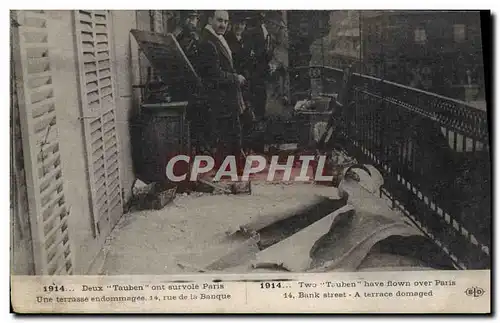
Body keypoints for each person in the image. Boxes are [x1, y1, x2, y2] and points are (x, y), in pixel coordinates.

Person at [198, 10, 248, 176]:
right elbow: (214, 75)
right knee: (229, 136)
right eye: (220, 20)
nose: (223, 25)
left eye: (226, 22)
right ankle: (230, 173)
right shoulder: (207, 42)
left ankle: (231, 171)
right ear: (210, 18)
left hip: (226, 98)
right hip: (221, 99)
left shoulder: (215, 38)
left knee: (230, 136)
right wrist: (236, 78)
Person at [241, 12, 273, 153]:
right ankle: (254, 147)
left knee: (260, 111)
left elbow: (267, 52)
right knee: (254, 113)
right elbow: (249, 56)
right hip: (254, 78)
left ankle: (258, 146)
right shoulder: (252, 32)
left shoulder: (267, 31)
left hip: (261, 77)